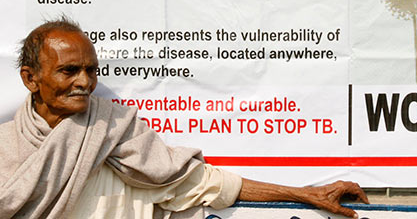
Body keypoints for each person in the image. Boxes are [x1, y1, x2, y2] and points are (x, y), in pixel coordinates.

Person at [0, 18, 368, 219]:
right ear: (31, 78)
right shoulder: (5, 147)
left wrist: (306, 194)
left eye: (91, 70)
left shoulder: (113, 130)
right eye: (69, 71)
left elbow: (203, 183)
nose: (84, 82)